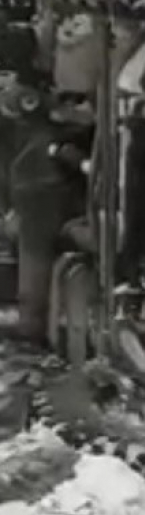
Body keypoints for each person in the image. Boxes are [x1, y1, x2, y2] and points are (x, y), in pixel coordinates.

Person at [0, 83, 71, 343]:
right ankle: (34, 319)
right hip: (43, 181)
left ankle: (32, 322)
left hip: (39, 184)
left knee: (34, 247)